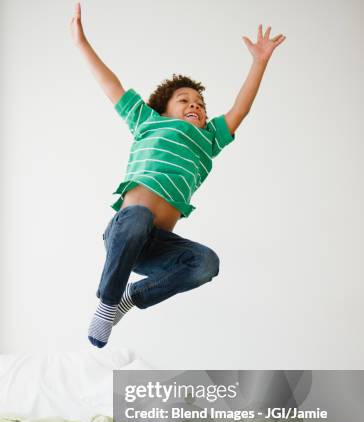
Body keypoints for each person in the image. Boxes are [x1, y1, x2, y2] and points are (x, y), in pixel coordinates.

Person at [69, 3, 286, 347]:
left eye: (199, 103)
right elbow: (111, 84)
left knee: (206, 263)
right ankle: (108, 303)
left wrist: (259, 62)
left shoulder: (209, 140)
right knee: (138, 216)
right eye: (184, 100)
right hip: (125, 232)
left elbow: (241, 108)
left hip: (155, 247)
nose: (195, 106)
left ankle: (131, 296)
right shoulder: (148, 122)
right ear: (164, 109)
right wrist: (81, 43)